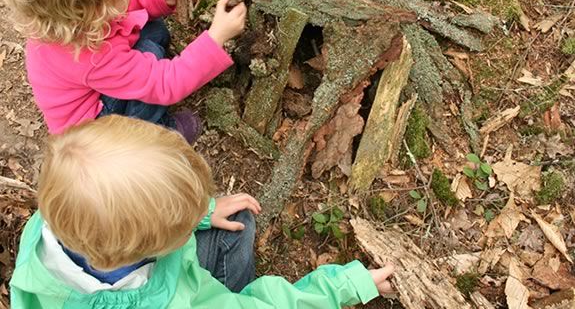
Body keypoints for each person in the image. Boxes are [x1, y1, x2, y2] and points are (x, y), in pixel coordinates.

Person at [10, 115, 395, 308]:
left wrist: (201, 212)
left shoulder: (45, 234)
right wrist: (345, 286)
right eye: (179, 227)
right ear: (147, 249)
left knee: (234, 221)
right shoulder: (177, 299)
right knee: (240, 229)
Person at [4, 0, 247, 143]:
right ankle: (162, 135)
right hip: (95, 134)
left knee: (152, 29)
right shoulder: (94, 58)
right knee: (151, 53)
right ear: (95, 13)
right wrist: (216, 37)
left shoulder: (67, 18)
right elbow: (165, 83)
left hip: (96, 84)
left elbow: (127, 4)